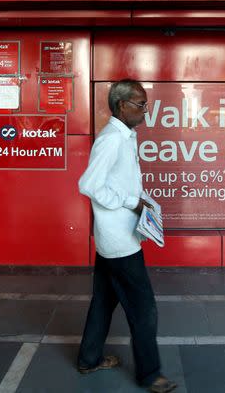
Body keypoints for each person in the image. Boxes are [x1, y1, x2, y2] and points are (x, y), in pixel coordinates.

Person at [77, 79, 177, 393]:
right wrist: (129, 201)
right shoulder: (112, 140)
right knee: (144, 308)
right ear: (122, 105)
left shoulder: (125, 136)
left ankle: (89, 358)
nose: (145, 109)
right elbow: (89, 184)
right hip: (120, 242)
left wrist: (144, 201)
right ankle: (150, 375)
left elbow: (123, 182)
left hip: (114, 238)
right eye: (140, 104)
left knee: (104, 301)